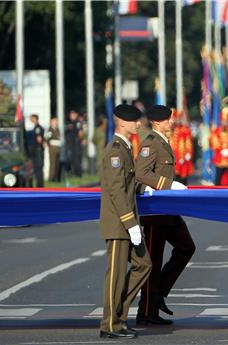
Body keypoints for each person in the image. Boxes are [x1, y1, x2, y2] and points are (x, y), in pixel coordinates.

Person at [135, 105, 195, 326]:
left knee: (187, 247)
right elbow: (141, 173)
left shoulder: (162, 141)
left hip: (168, 209)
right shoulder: (151, 143)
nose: (172, 123)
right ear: (158, 123)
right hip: (155, 212)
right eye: (169, 120)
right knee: (153, 261)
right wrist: (169, 185)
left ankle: (159, 293)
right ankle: (146, 312)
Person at [99, 104, 151, 339]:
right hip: (120, 223)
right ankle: (110, 324)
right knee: (117, 275)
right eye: (134, 121)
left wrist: (145, 188)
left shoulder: (125, 149)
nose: (138, 124)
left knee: (144, 264)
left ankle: (118, 313)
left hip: (128, 221)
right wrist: (130, 224)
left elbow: (128, 186)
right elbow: (116, 190)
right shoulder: (116, 151)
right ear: (122, 122)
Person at [28, 114, 45, 187]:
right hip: (36, 150)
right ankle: (39, 184)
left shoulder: (38, 128)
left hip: (37, 150)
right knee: (36, 168)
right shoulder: (35, 127)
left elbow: (39, 139)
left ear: (36, 119)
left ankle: (40, 185)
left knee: (38, 168)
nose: (31, 120)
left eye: (32, 118)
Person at [45, 117, 61, 182]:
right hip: (53, 148)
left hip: (58, 148)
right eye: (54, 122)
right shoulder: (50, 130)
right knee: (52, 164)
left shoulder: (57, 129)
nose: (56, 123)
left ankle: (56, 177)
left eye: (56, 121)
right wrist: (49, 146)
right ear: (51, 123)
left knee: (57, 164)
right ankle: (51, 178)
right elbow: (47, 138)